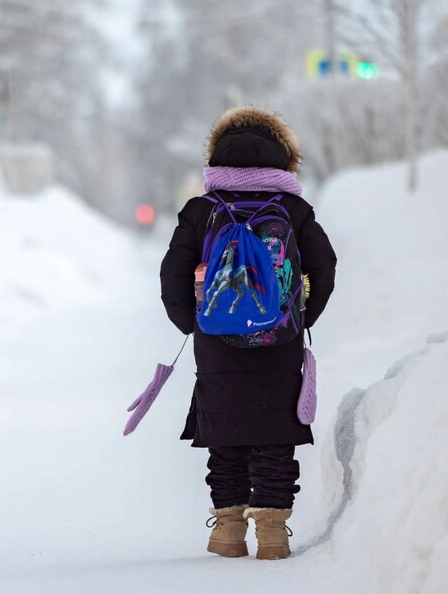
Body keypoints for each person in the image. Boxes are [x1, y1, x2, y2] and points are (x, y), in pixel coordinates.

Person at [160, 105, 337, 560]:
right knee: (276, 435)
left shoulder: (201, 211)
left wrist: (193, 323)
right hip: (280, 343)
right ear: (283, 159)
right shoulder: (294, 210)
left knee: (226, 437)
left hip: (217, 346)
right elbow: (325, 267)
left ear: (216, 159)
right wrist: (302, 317)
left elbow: (172, 274)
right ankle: (273, 538)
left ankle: (228, 533)